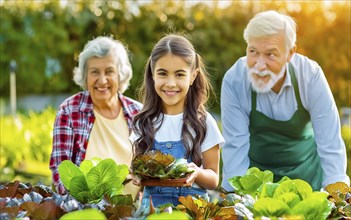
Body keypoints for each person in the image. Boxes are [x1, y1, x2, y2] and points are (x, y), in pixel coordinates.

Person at [221, 10, 350, 191]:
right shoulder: (235, 80)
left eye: (270, 54)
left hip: (307, 179)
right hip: (257, 184)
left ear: (290, 53)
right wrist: (234, 200)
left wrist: (336, 199)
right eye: (253, 52)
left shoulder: (310, 76)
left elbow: (330, 144)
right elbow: (235, 147)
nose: (259, 65)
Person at [130, 34, 224, 209]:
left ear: (193, 76)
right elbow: (136, 167)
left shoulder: (203, 122)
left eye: (179, 74)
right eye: (163, 74)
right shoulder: (142, 122)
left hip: (192, 210)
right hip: (152, 211)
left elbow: (213, 179)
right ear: (152, 75)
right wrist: (136, 175)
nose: (170, 83)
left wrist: (198, 173)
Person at [49, 36, 142, 200]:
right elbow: (60, 170)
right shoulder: (69, 111)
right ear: (85, 76)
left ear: (120, 75)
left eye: (109, 71)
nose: (102, 80)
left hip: (134, 212)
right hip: (86, 210)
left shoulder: (138, 113)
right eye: (94, 72)